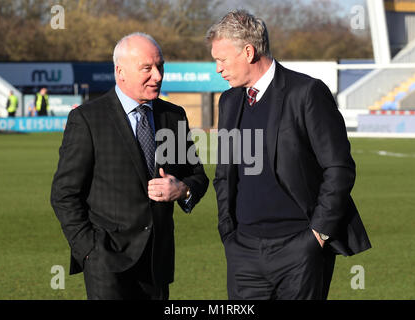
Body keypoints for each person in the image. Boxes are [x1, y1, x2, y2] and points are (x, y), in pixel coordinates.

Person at [208, 10, 371, 300]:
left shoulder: (306, 93)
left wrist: (317, 235)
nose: (218, 69)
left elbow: (339, 168)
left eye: (221, 60)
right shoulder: (230, 101)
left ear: (248, 52)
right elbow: (224, 174)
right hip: (243, 251)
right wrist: (227, 231)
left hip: (300, 249)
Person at [51, 32, 209, 300]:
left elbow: (197, 176)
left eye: (160, 66)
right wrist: (89, 251)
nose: (158, 76)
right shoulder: (87, 119)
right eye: (147, 68)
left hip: (156, 263)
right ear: (120, 72)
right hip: (106, 264)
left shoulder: (173, 116)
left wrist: (182, 189)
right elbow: (64, 193)